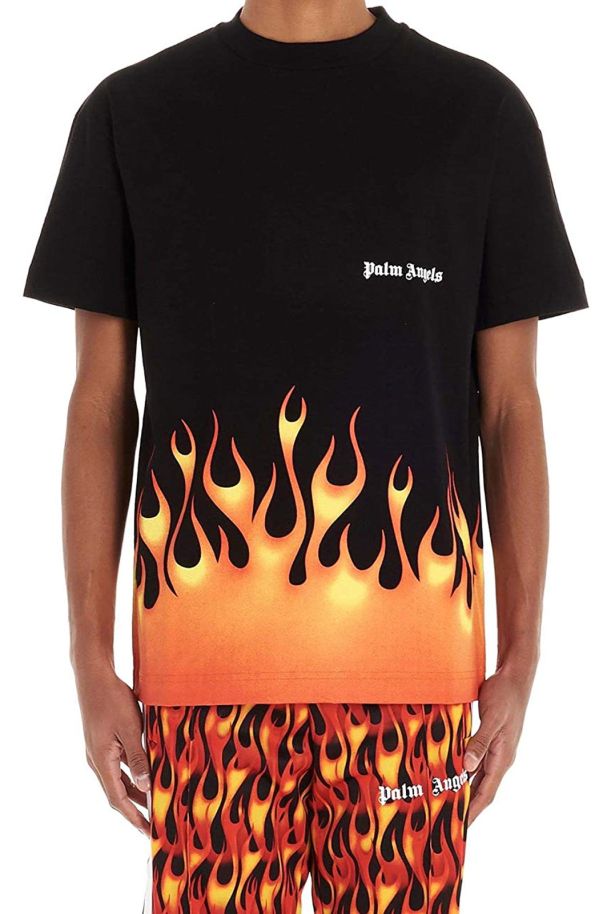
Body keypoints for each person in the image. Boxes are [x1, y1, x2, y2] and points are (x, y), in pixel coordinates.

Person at [24, 3, 587, 912]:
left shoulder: (477, 114)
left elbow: (513, 407)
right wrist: (89, 659)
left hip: (414, 687)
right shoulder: (132, 114)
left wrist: (520, 658)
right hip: (203, 685)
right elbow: (98, 403)